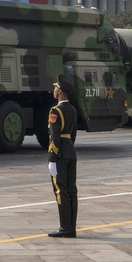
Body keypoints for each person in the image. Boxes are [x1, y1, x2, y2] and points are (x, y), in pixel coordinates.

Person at [47, 74, 78, 238]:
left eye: (55, 87)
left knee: (60, 190)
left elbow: (55, 136)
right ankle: (71, 227)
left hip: (60, 154)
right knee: (72, 190)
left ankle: (65, 227)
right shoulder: (72, 110)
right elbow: (72, 135)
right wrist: (69, 148)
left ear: (59, 91)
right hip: (71, 152)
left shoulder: (55, 111)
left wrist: (52, 159)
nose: (53, 90)